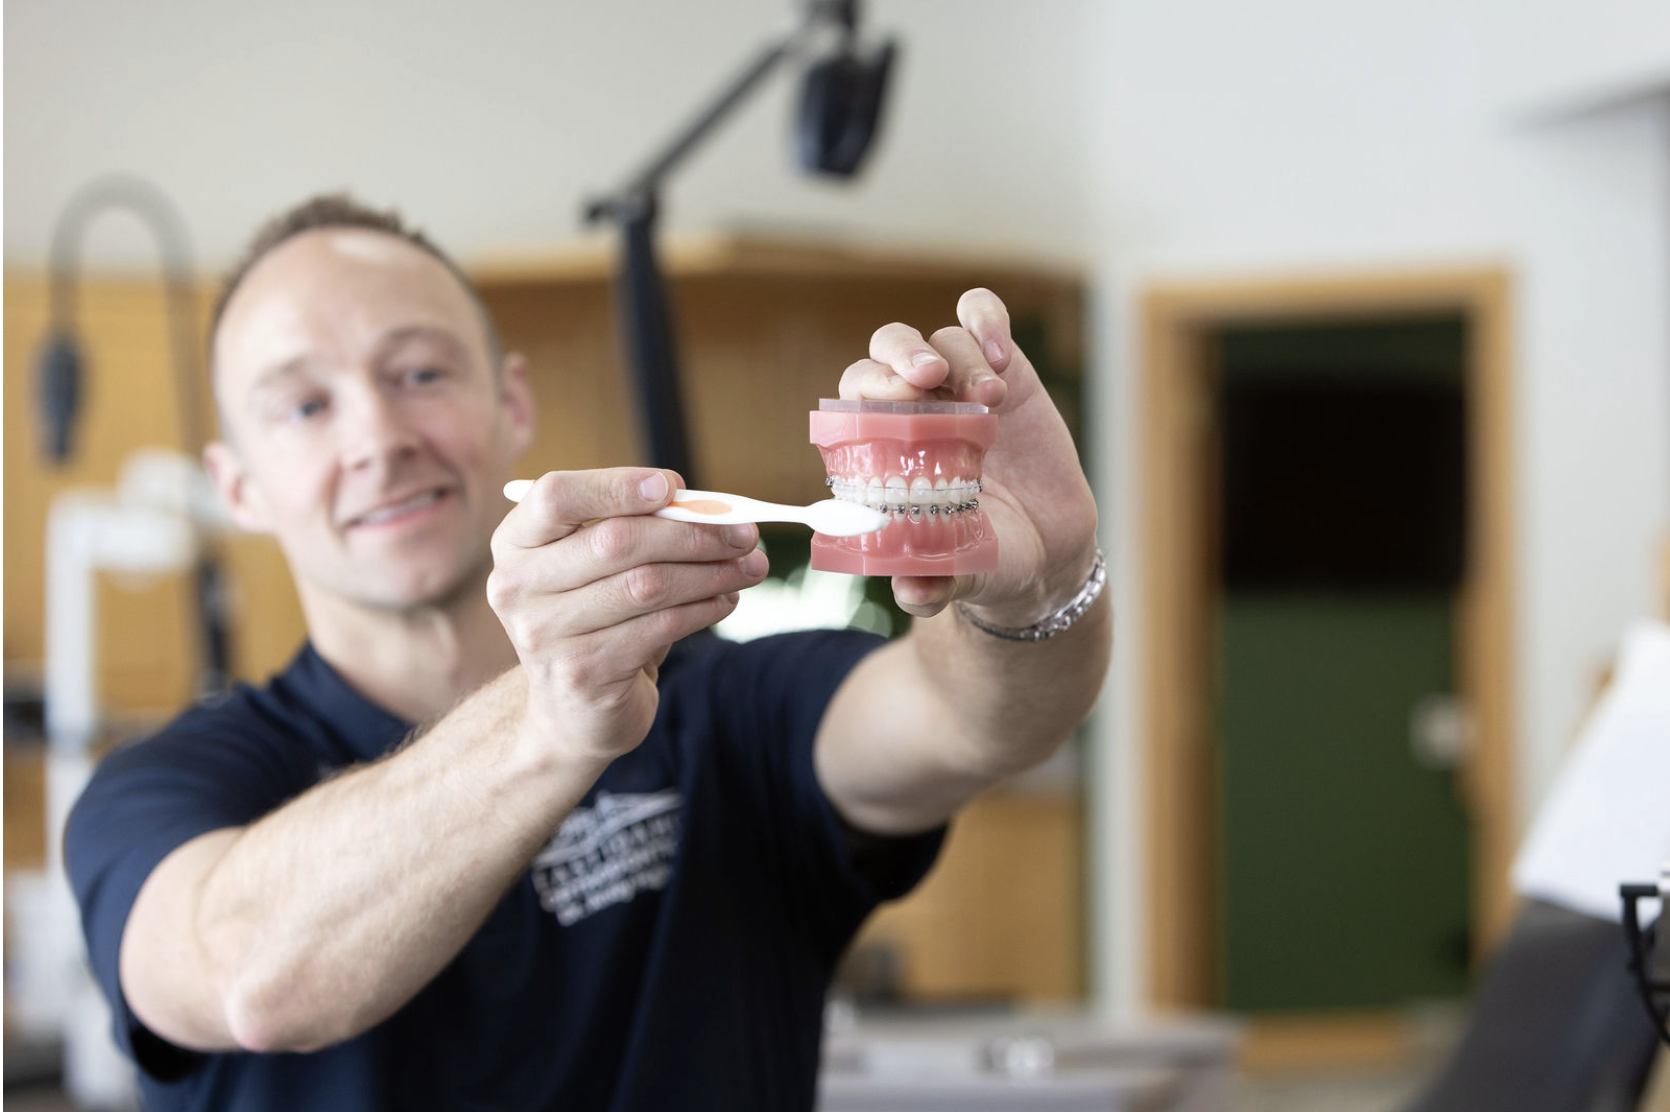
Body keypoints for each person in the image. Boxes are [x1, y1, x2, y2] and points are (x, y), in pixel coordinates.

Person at [65, 195, 1111, 1112]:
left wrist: (1042, 584)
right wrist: (547, 722)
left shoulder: (720, 712)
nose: (378, 435)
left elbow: (973, 721)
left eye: (420, 370)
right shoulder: (162, 789)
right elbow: (249, 974)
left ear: (509, 401)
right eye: (303, 404)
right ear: (238, 482)